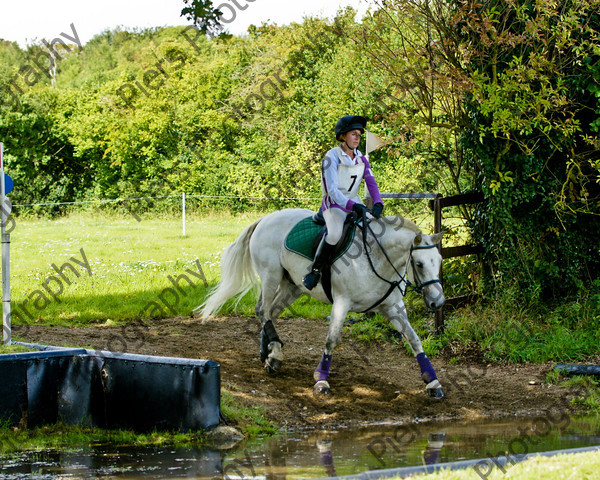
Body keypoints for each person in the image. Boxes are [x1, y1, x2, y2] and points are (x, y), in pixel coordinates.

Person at [302, 115, 384, 290]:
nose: (357, 138)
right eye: (353, 134)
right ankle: (315, 271)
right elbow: (332, 189)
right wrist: (351, 205)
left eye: (359, 135)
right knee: (334, 234)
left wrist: (378, 202)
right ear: (342, 136)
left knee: (375, 229)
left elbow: (371, 182)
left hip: (355, 201)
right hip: (334, 205)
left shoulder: (361, 158)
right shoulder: (331, 157)